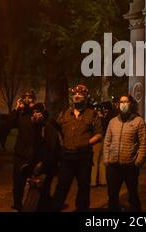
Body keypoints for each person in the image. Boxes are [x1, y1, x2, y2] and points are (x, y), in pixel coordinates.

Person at [52, 84, 102, 212]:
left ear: (86, 97)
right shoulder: (64, 113)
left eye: (80, 94)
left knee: (83, 188)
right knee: (62, 186)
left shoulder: (92, 114)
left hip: (83, 158)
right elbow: (56, 129)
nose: (77, 96)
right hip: (66, 157)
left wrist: (87, 143)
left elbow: (99, 134)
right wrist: (61, 142)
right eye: (75, 94)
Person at [103, 95, 146, 212]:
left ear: (131, 104)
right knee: (112, 196)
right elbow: (107, 141)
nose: (123, 104)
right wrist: (106, 159)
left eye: (126, 101)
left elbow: (144, 143)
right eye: (121, 101)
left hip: (130, 165)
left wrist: (138, 162)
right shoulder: (112, 122)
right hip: (113, 165)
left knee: (133, 195)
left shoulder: (139, 121)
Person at [8, 89, 46, 211]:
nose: (27, 99)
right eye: (25, 97)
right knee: (18, 181)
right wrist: (16, 108)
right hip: (20, 152)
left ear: (33, 99)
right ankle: (18, 203)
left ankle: (37, 204)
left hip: (34, 153)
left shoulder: (37, 110)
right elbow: (9, 124)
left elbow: (41, 115)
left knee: (36, 180)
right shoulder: (20, 113)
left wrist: (32, 107)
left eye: (30, 97)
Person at [91, 101, 113, 187]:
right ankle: (103, 180)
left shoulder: (97, 119)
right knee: (102, 161)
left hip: (97, 141)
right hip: (105, 140)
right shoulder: (107, 118)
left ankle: (93, 181)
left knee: (94, 161)